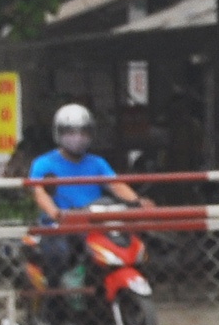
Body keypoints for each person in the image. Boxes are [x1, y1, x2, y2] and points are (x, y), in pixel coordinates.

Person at [27, 104, 151, 282]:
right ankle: (55, 302)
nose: (77, 137)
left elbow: (116, 185)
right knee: (58, 255)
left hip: (95, 223)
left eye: (83, 132)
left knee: (129, 245)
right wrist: (55, 213)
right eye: (70, 132)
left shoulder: (97, 163)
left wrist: (138, 201)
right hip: (61, 225)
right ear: (58, 133)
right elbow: (39, 193)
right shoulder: (43, 163)